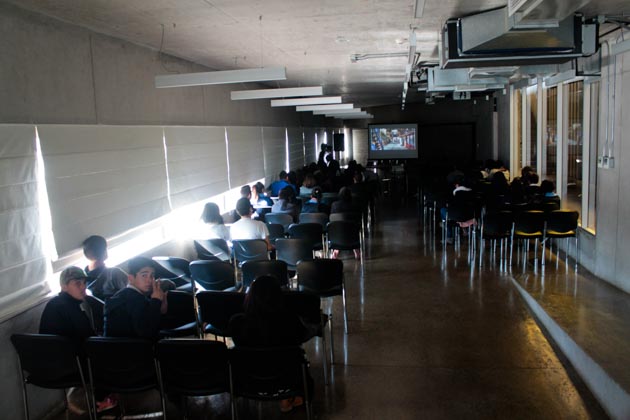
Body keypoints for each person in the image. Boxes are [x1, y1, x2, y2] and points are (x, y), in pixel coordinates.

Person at [228, 275, 309, 412]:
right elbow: (301, 337)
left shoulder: (237, 323)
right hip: (286, 380)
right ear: (279, 296)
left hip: (249, 381)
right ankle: (287, 398)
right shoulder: (290, 321)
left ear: (250, 296)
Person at [104, 257, 167, 339]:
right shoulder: (136, 299)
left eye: (152, 275)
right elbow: (148, 333)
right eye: (144, 275)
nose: (150, 280)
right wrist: (156, 301)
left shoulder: (121, 294)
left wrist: (160, 310)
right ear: (131, 278)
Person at [40, 266, 96, 339]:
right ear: (64, 287)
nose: (83, 287)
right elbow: (85, 338)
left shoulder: (59, 303)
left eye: (84, 282)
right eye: (78, 283)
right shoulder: (63, 307)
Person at [83, 235, 128, 300]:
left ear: (86, 255)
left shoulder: (81, 281)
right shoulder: (115, 274)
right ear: (105, 251)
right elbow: (133, 292)